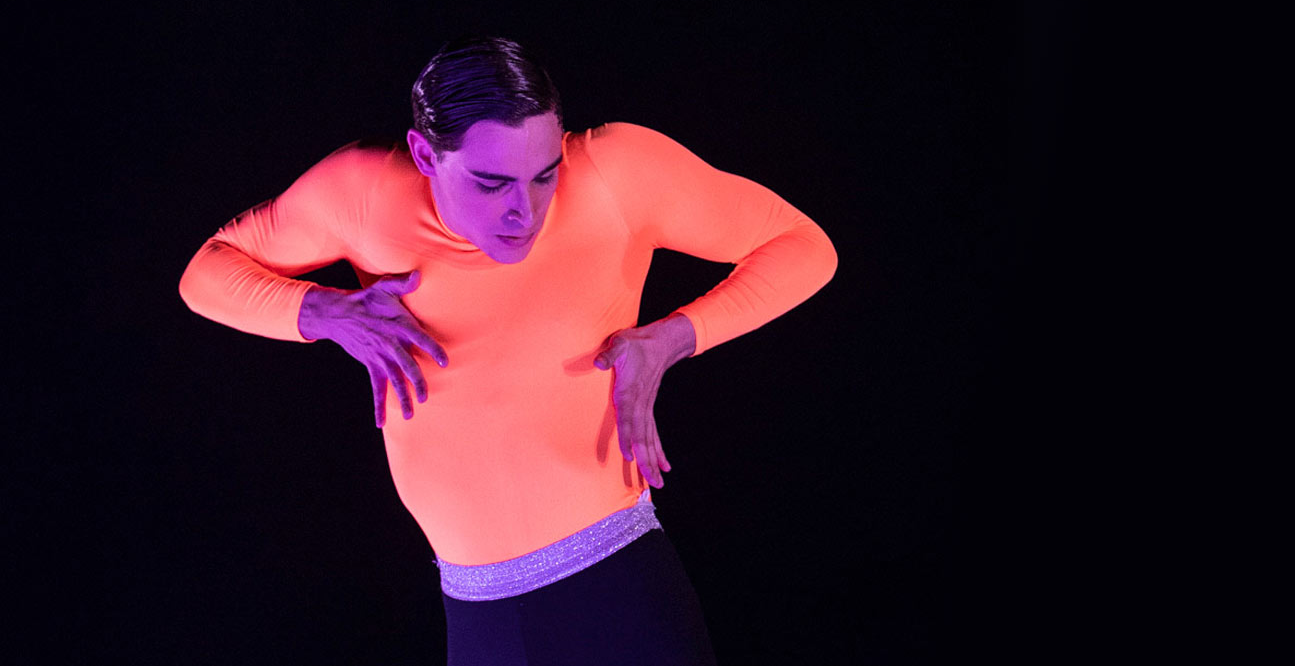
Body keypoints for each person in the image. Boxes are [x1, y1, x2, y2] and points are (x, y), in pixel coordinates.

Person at [179, 36, 837, 665]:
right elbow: (206, 272)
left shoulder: (617, 171)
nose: (526, 212)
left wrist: (672, 336)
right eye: (492, 184)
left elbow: (805, 246)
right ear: (426, 153)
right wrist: (321, 311)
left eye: (545, 175)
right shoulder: (362, 195)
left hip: (620, 600)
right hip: (479, 618)